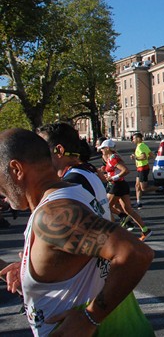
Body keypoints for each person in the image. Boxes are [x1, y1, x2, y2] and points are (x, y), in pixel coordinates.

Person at [0, 129, 154, 337]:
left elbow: (135, 253)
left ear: (17, 169)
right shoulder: (71, 191)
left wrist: (90, 318)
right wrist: (28, 272)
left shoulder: (54, 215)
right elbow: (76, 263)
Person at [99, 139, 152, 241]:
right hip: (121, 185)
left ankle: (114, 235)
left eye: (102, 148)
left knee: (105, 207)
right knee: (128, 210)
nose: (101, 150)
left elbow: (125, 170)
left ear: (108, 148)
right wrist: (105, 171)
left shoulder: (114, 158)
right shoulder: (111, 158)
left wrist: (113, 178)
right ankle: (145, 230)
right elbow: (114, 170)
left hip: (117, 185)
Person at [131, 132, 164, 209]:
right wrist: (143, 158)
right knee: (137, 186)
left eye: (133, 138)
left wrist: (136, 158)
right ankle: (138, 202)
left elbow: (143, 157)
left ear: (138, 139)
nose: (132, 140)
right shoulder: (143, 145)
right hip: (141, 168)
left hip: (143, 168)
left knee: (144, 188)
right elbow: (152, 155)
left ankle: (161, 187)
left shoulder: (140, 147)